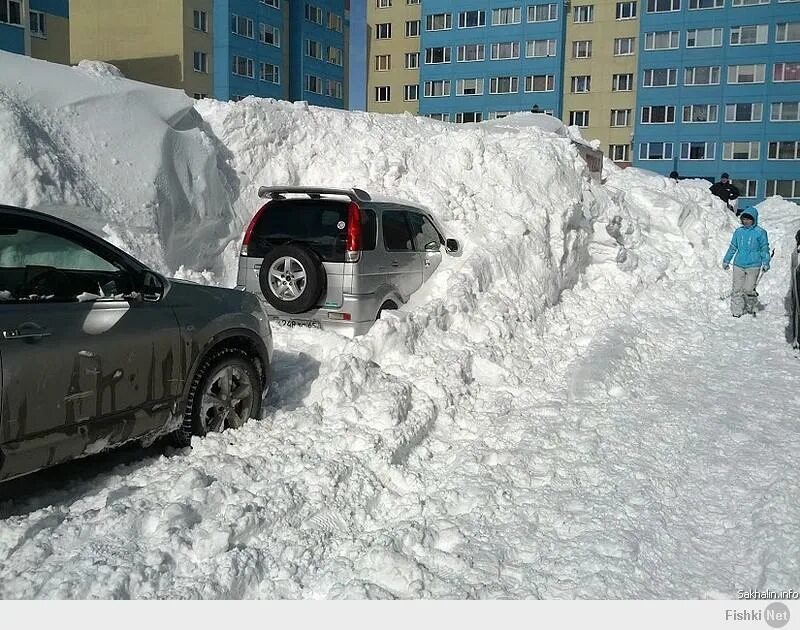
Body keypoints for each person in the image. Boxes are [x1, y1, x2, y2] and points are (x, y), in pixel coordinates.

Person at [722, 206, 770, 317]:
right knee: (737, 289)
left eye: (749, 219)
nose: (746, 221)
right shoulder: (738, 232)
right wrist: (726, 260)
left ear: (754, 219)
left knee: (749, 289)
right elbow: (733, 247)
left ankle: (750, 307)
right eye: (744, 219)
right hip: (738, 264)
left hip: (754, 265)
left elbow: (764, 248)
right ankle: (736, 311)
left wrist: (766, 262)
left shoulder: (760, 232)